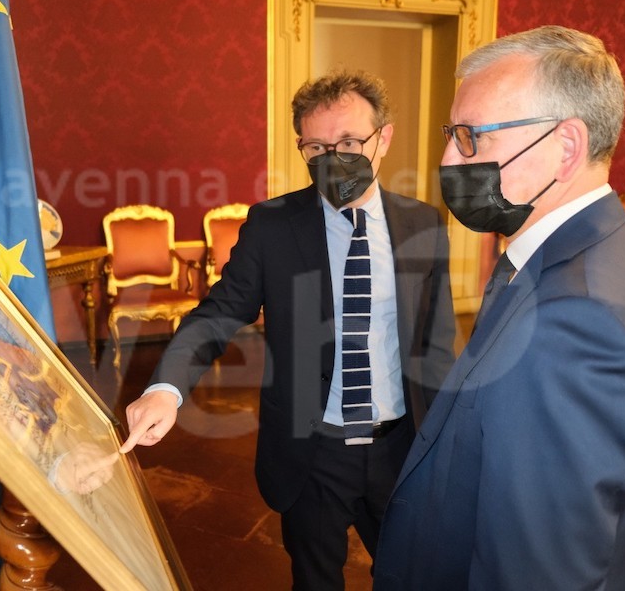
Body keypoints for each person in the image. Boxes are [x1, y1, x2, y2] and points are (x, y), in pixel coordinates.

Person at [373, 25, 625, 590]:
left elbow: (538, 570)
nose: (448, 159)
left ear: (566, 146)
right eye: (451, 135)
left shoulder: (575, 322)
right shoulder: (609, 252)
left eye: (471, 137)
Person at [119, 70, 456, 590]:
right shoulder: (272, 225)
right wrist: (166, 388)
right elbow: (218, 312)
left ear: (384, 138)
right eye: (316, 147)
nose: (334, 159)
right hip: (312, 449)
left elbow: (436, 343)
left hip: (401, 447)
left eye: (349, 142)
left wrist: (448, 439)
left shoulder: (423, 223)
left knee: (410, 576)